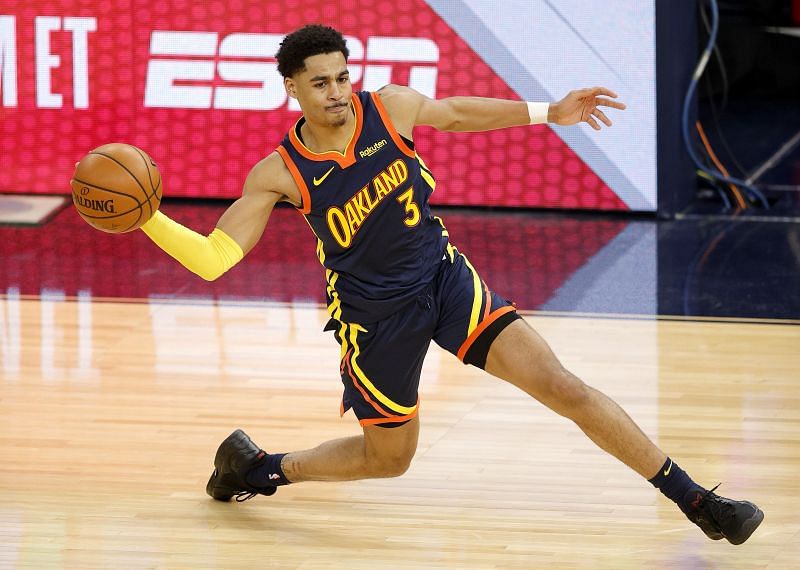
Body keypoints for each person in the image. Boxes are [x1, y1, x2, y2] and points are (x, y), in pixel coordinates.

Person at [139, 24, 763, 544]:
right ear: (292, 88)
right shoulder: (279, 173)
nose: (336, 92)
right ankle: (262, 467)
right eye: (320, 82)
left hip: (445, 280)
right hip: (375, 320)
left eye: (342, 76)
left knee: (561, 385)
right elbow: (215, 258)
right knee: (389, 460)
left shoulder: (390, 108)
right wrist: (149, 218)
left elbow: (459, 114)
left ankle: (698, 502)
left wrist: (552, 111)